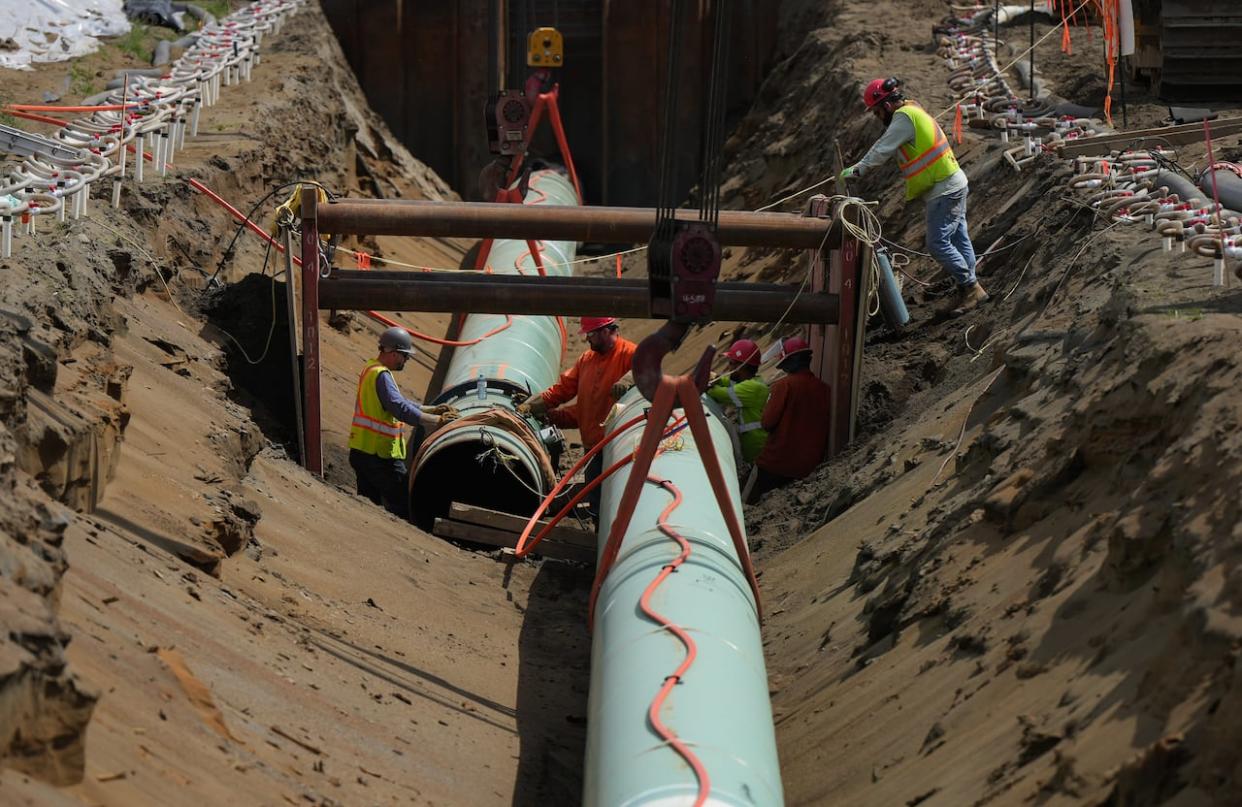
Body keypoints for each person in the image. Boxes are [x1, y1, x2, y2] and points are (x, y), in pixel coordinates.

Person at [840, 77, 988, 315]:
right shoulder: (913, 110)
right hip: (953, 182)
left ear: (886, 106)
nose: (878, 118)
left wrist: (858, 169)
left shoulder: (903, 117)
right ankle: (969, 290)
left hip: (944, 189)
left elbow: (882, 148)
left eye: (877, 112)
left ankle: (971, 287)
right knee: (960, 239)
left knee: (938, 244)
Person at [517, 316, 636, 520]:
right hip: (592, 448)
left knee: (618, 504)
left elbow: (648, 372)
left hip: (619, 447)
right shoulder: (586, 361)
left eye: (590, 334)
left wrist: (630, 379)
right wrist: (535, 405)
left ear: (606, 331)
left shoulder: (631, 354)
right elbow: (564, 392)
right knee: (597, 504)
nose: (587, 339)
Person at [348, 327, 457, 519]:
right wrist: (434, 421)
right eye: (404, 356)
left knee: (368, 505)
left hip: (362, 451)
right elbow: (398, 407)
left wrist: (430, 409)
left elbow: (399, 401)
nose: (406, 360)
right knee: (403, 500)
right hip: (379, 457)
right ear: (393, 352)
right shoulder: (381, 375)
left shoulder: (372, 369)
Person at [746, 336, 831, 504]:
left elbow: (767, 422)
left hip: (775, 463)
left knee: (745, 500)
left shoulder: (783, 386)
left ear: (789, 363)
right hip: (807, 466)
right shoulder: (825, 389)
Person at [706, 338, 770, 465]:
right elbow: (728, 383)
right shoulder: (750, 383)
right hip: (754, 449)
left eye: (731, 363)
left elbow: (720, 394)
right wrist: (715, 378)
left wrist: (706, 384)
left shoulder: (753, 388)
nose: (728, 367)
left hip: (758, 451)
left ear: (742, 366)